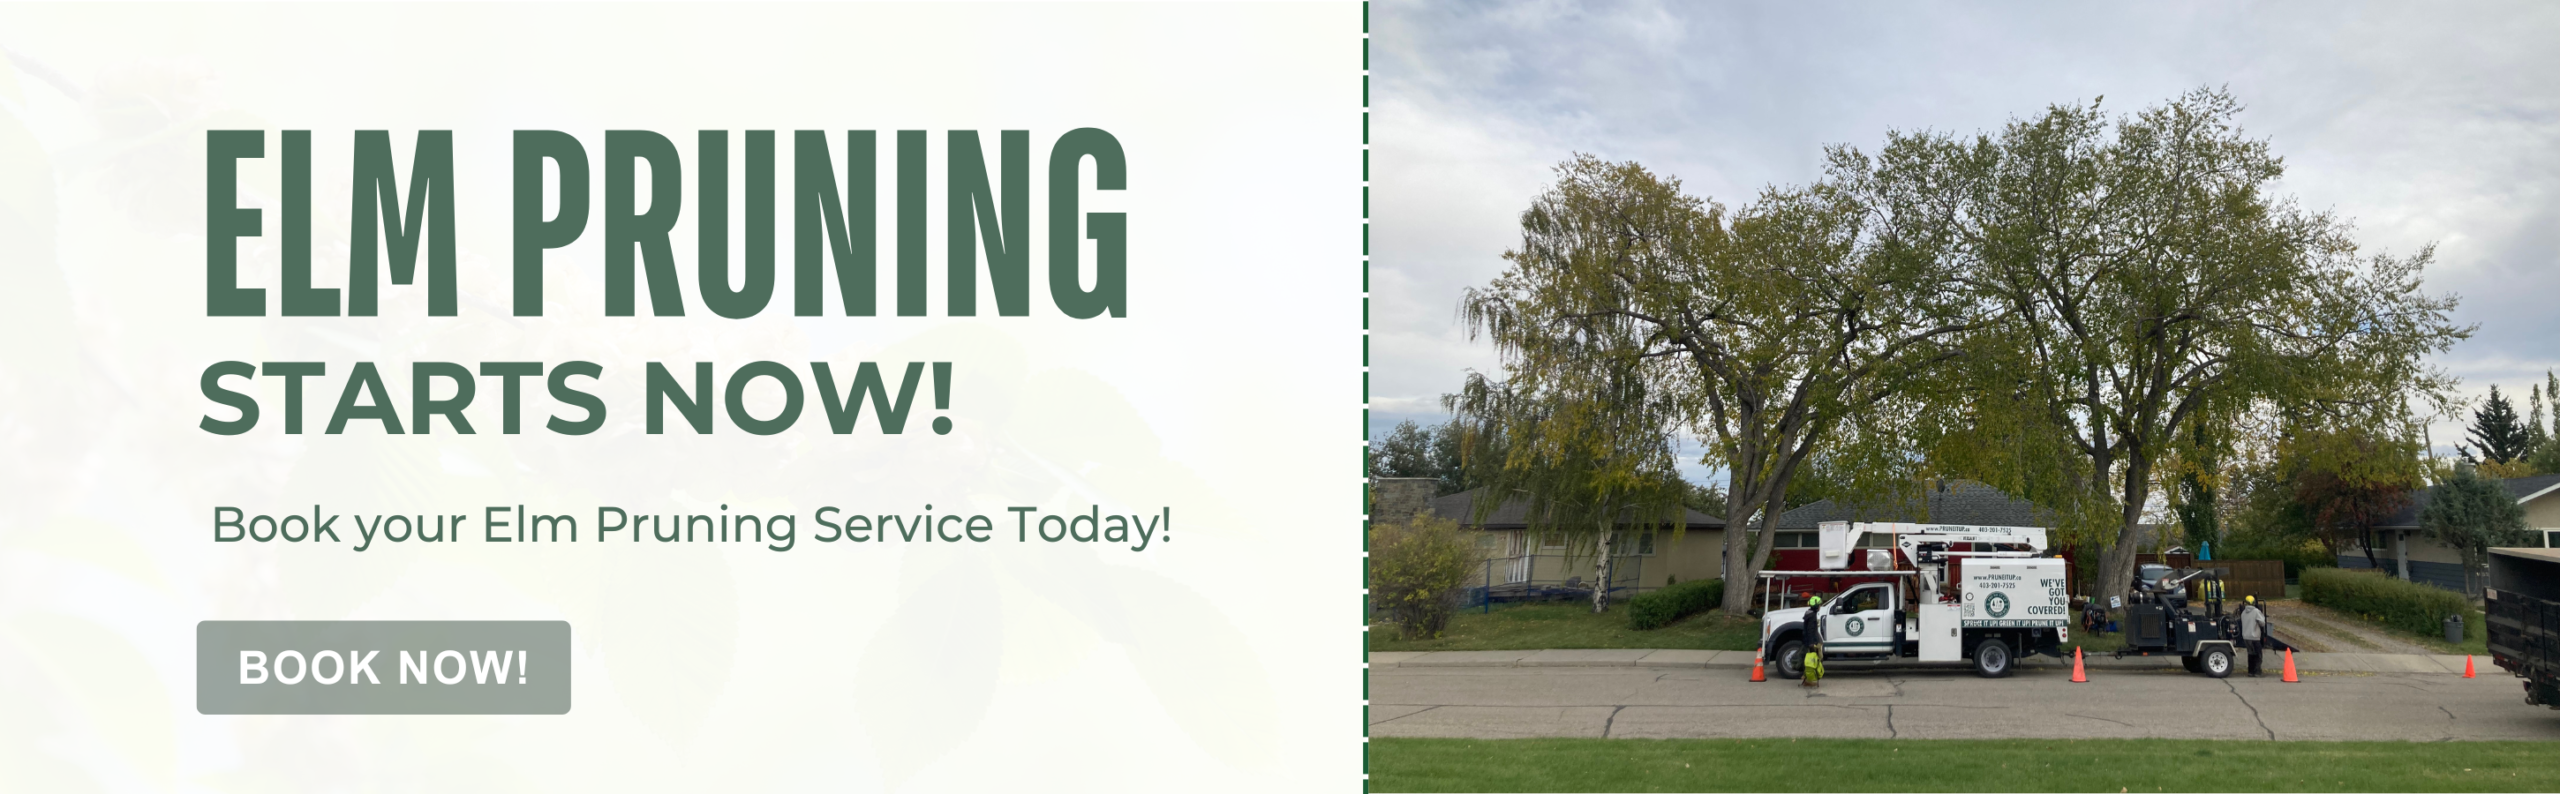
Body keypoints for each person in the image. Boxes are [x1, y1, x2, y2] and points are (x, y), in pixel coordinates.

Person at [2237, 595, 2268, 677]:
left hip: (2246, 637)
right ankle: (2257, 672)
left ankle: (2250, 671)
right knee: (2258, 655)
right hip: (2254, 637)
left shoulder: (2243, 613)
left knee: (2250, 654)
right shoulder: (2256, 612)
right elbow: (2262, 623)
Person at [1800, 594, 1826, 688]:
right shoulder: (1811, 616)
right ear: (1815, 606)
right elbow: (1810, 630)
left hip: (1810, 641)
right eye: (1819, 605)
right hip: (1813, 642)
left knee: (1810, 661)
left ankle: (1808, 679)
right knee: (1816, 660)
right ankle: (1812, 679)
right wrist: (1812, 644)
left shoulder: (1809, 613)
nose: (1820, 607)